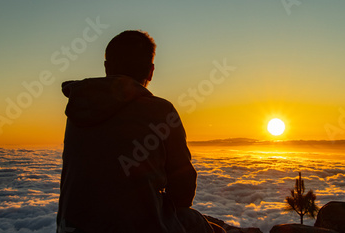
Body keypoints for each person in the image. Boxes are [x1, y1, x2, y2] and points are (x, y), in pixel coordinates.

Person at [56, 30, 224, 233]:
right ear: (151, 71)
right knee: (196, 222)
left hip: (70, 229)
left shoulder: (79, 108)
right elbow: (182, 189)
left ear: (107, 67)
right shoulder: (161, 111)